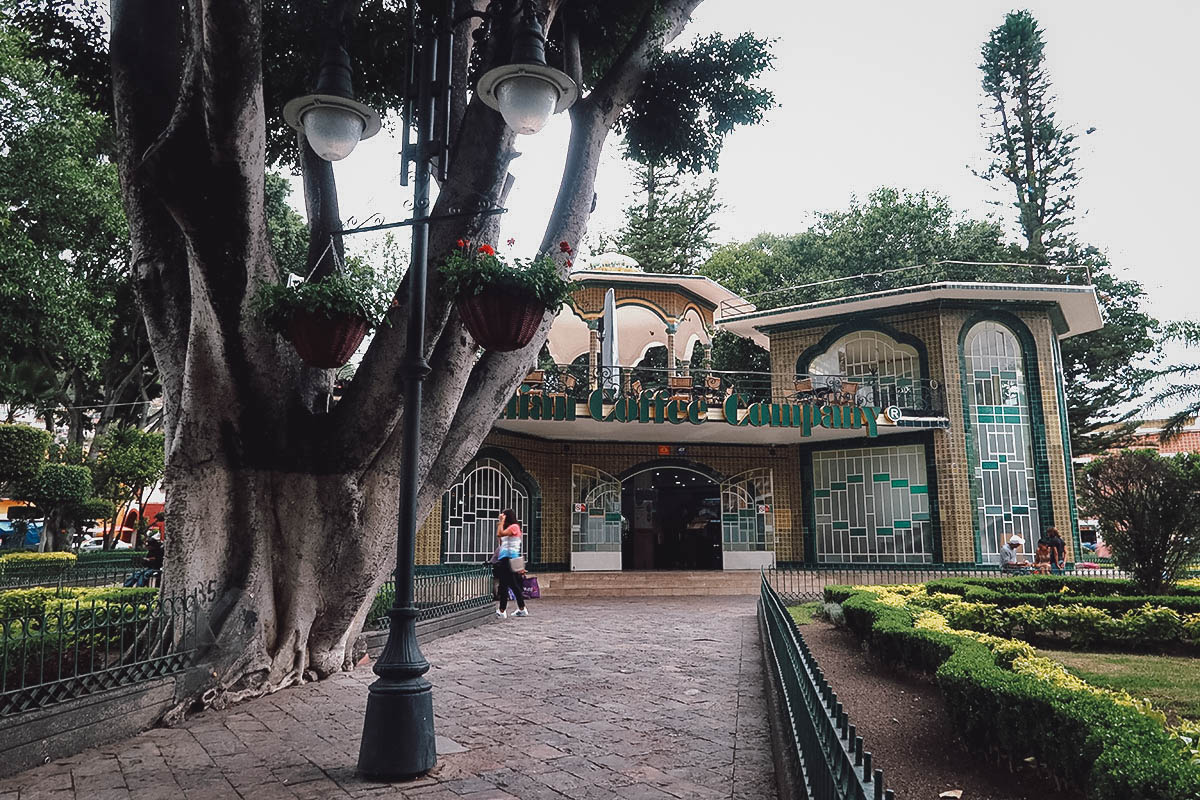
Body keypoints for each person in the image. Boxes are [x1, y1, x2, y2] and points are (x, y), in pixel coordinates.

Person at [493, 509, 528, 619]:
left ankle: (503, 610)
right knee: (510, 585)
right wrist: (501, 524)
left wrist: (501, 522)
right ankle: (520, 608)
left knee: (506, 585)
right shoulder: (508, 528)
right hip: (504, 558)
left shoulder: (514, 527)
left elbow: (500, 533)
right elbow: (499, 537)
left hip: (509, 559)